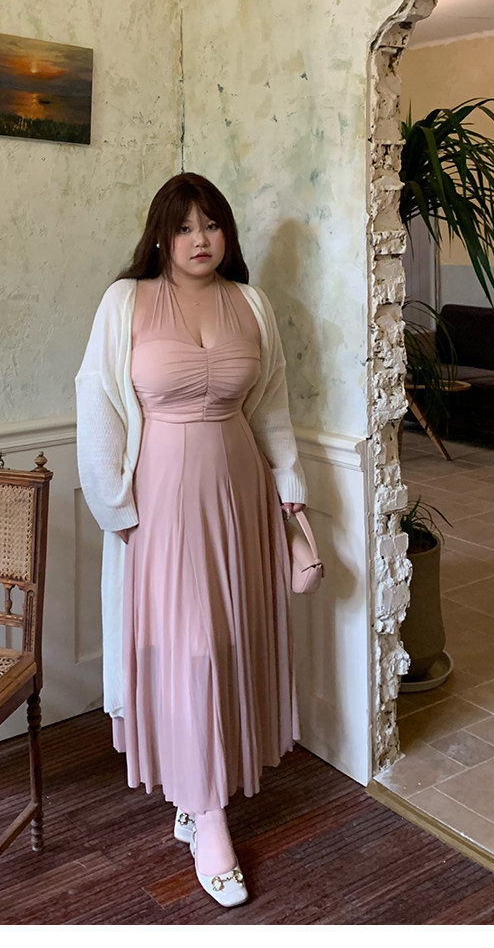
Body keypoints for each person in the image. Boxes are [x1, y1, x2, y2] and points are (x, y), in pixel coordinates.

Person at [75, 173, 308, 908]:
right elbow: (98, 402)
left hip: (241, 495)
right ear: (160, 236)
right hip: (160, 504)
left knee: (226, 643)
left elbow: (270, 405)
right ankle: (209, 818)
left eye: (211, 224)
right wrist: (116, 510)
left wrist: (290, 486)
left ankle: (193, 784)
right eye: (184, 227)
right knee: (189, 648)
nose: (200, 239)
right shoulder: (126, 301)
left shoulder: (252, 304)